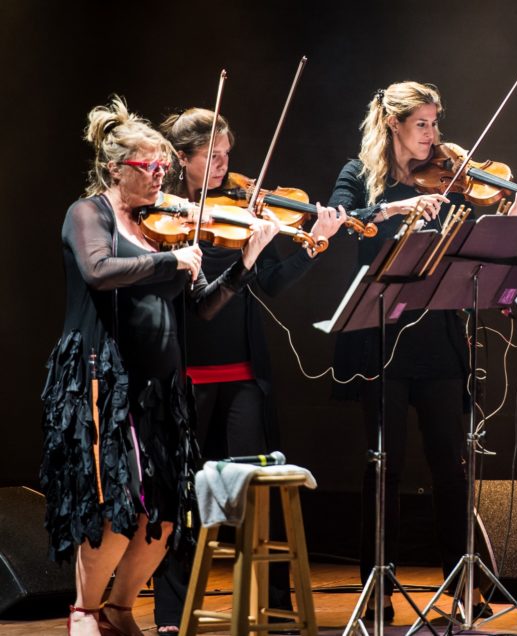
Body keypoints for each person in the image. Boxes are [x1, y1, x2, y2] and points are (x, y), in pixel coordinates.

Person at [41, 96, 279, 636]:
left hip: (161, 386)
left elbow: (201, 307)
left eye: (163, 168)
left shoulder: (164, 222)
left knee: (165, 515)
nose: (158, 177)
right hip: (104, 377)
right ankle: (84, 608)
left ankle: (122, 608)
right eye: (147, 168)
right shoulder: (89, 214)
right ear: (113, 168)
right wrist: (170, 260)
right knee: (113, 505)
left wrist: (245, 264)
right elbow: (100, 271)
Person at [327, 81, 517, 623]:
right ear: (394, 124)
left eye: (436, 123)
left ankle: (462, 581)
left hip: (439, 336)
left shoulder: (453, 179)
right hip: (380, 336)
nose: (434, 135)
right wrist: (398, 209)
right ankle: (379, 584)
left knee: (452, 465)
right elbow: (341, 221)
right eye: (423, 124)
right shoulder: (359, 175)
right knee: (385, 467)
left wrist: (514, 219)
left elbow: (479, 245)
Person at [148, 108, 347, 632]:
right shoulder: (164, 215)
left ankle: (276, 602)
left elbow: (274, 282)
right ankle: (171, 610)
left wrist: (314, 244)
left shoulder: (244, 209)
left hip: (241, 371)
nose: (222, 164)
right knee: (181, 492)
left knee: (258, 486)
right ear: (181, 159)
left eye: (227, 155)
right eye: (210, 156)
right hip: (187, 369)